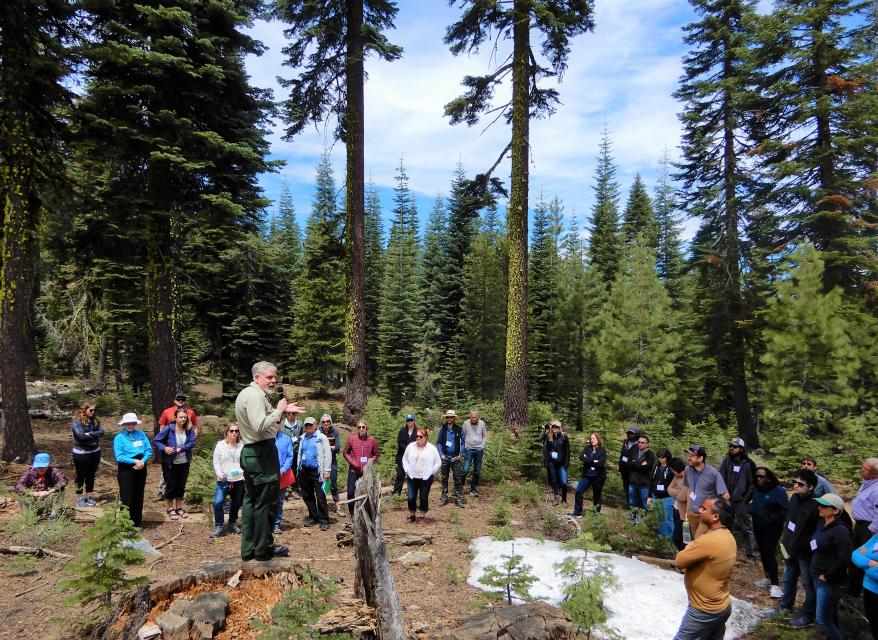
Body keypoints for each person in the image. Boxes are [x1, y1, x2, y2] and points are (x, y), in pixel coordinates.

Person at [235, 361, 304, 561]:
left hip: (253, 452)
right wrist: (279, 410)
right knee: (265, 502)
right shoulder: (255, 396)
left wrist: (279, 413)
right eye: (269, 377)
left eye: (275, 377)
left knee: (252, 501)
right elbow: (259, 426)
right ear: (257, 377)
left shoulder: (247, 394)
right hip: (261, 454)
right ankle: (264, 548)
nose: (274, 380)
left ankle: (249, 549)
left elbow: (263, 425)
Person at [673, 497, 737, 640]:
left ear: (715, 517)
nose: (699, 510)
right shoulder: (728, 537)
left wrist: (690, 547)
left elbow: (680, 560)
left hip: (704, 610)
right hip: (722, 606)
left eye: (704, 508)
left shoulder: (708, 541)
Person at [775, 468, 820, 627]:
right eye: (795, 482)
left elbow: (817, 533)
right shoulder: (794, 498)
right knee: (788, 579)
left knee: (808, 584)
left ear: (811, 487)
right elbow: (789, 523)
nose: (795, 486)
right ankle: (784, 608)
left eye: (800, 484)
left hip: (806, 554)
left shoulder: (816, 506)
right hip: (790, 549)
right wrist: (784, 542)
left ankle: (808, 616)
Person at [810, 493, 852, 640]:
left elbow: (844, 557)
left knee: (822, 618)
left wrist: (827, 575)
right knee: (830, 615)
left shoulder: (841, 531)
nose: (819, 508)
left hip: (830, 581)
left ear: (836, 511)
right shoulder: (822, 524)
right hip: (818, 575)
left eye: (824, 506)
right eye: (819, 504)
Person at [748, 466, 789, 599]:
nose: (758, 478)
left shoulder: (778, 491)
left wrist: (772, 518)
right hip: (758, 525)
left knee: (769, 552)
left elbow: (785, 510)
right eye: (757, 476)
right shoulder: (756, 489)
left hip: (772, 528)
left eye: (761, 476)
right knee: (762, 552)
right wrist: (750, 510)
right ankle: (767, 577)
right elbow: (752, 503)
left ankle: (775, 586)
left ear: (769, 478)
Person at [153, 408, 197, 521]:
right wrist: (165, 448)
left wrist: (180, 449)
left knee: (181, 485)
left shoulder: (189, 429)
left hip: (184, 462)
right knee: (171, 485)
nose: (183, 419)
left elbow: (192, 443)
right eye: (181, 417)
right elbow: (156, 441)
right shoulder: (168, 429)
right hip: (170, 462)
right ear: (175, 418)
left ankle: (179, 508)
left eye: (185, 417)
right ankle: (170, 508)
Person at [718, 437, 757, 559]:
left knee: (746, 528)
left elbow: (752, 484)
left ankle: (751, 553)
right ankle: (724, 550)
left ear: (741, 448)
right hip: (726, 499)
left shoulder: (749, 464)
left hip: (741, 501)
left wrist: (746, 500)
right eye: (730, 446)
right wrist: (722, 493)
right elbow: (720, 477)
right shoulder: (726, 461)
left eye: (734, 447)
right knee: (724, 525)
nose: (731, 448)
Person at [113, 412, 153, 527]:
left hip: (141, 465)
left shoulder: (141, 434)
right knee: (127, 496)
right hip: (126, 468)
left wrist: (142, 461)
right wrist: (135, 461)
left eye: (133, 423)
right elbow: (119, 457)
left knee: (138, 494)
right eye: (128, 423)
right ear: (124, 424)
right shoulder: (119, 438)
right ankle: (126, 523)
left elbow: (148, 450)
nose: (130, 425)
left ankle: (136, 522)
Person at [683, 445, 730, 540]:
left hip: (705, 515)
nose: (688, 458)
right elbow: (689, 489)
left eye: (692, 456)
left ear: (701, 458)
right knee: (694, 541)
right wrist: (687, 510)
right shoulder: (687, 470)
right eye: (688, 455)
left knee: (698, 540)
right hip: (692, 513)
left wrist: (711, 511)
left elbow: (726, 495)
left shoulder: (713, 474)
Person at [296, 416, 331, 531]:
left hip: (317, 471)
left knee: (320, 496)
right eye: (306, 425)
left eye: (310, 424)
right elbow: (300, 454)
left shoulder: (322, 438)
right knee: (307, 496)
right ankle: (313, 517)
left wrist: (327, 470)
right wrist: (299, 469)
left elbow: (327, 455)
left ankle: (324, 520)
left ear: (315, 425)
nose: (308, 427)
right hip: (304, 471)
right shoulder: (302, 438)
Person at [850, 457, 878, 597]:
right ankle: (852, 589)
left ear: (875, 474)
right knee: (854, 557)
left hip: (868, 529)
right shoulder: (867, 483)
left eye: (866, 469)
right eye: (863, 466)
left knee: (862, 558)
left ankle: (857, 592)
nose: (862, 469)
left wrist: (871, 531)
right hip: (860, 526)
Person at [211, 423, 244, 538]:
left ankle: (232, 522)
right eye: (231, 431)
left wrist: (242, 472)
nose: (234, 433)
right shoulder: (220, 445)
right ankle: (219, 525)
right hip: (223, 480)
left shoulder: (242, 445)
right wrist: (219, 474)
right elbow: (216, 462)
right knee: (218, 503)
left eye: (236, 431)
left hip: (239, 479)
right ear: (227, 432)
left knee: (237, 502)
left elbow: (245, 462)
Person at [402, 427, 441, 524]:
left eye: (421, 436)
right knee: (411, 497)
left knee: (423, 497)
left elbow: (438, 462)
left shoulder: (432, 448)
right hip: (412, 476)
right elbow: (404, 459)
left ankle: (422, 517)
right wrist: (407, 470)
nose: (418, 438)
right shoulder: (411, 446)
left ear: (426, 437)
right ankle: (412, 516)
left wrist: (432, 472)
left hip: (425, 478)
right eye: (417, 436)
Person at [71, 401, 104, 507]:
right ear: (84, 410)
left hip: (95, 451)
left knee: (91, 475)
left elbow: (102, 432)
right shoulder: (77, 422)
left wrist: (89, 433)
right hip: (81, 453)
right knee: (81, 476)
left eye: (95, 410)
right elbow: (80, 436)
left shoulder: (95, 421)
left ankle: (89, 496)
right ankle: (79, 498)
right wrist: (94, 434)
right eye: (91, 410)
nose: (93, 412)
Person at [343, 420, 379, 516]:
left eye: (363, 427)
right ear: (357, 428)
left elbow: (376, 454)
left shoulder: (371, 440)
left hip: (366, 471)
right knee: (351, 493)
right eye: (359, 427)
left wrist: (370, 463)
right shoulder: (352, 439)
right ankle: (352, 514)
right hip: (354, 470)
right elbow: (345, 452)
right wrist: (352, 462)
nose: (361, 429)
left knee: (366, 493)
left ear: (366, 428)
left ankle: (365, 514)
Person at [569, 432, 607, 516]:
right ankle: (577, 512)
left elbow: (600, 463)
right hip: (587, 475)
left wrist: (588, 459)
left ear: (598, 439)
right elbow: (581, 457)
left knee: (596, 495)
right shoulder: (587, 448)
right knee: (578, 491)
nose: (592, 440)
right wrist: (593, 461)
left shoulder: (602, 450)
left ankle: (595, 514)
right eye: (591, 438)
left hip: (598, 477)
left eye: (594, 438)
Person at [851, 531, 878, 638]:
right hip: (869, 591)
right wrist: (869, 563)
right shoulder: (876, 538)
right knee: (874, 627)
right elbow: (855, 555)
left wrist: (864, 565)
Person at [436, 409, 465, 508]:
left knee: (458, 478)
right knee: (444, 478)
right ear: (446, 418)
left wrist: (460, 454)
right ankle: (444, 497)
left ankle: (458, 498)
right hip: (445, 457)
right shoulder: (442, 429)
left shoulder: (459, 429)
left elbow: (463, 443)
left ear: (454, 418)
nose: (449, 419)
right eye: (447, 417)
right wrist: (441, 454)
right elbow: (439, 443)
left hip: (456, 458)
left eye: (451, 417)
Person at [648, 448, 674, 540]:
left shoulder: (671, 469)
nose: (660, 459)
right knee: (660, 519)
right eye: (659, 457)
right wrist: (649, 496)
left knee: (668, 519)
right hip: (656, 496)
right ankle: (662, 539)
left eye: (662, 457)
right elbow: (651, 481)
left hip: (668, 497)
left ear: (667, 457)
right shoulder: (656, 466)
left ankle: (671, 539)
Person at [625, 433, 655, 513]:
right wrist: (639, 464)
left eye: (642, 443)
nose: (640, 444)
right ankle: (633, 521)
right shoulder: (633, 451)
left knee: (645, 505)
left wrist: (634, 463)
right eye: (639, 442)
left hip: (644, 485)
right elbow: (628, 464)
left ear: (647, 444)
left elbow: (646, 468)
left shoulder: (650, 455)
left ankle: (645, 524)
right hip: (632, 482)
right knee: (632, 504)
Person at [461, 408, 488, 497]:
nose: (474, 419)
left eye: (475, 417)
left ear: (478, 416)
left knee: (476, 471)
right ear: (470, 416)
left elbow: (485, 436)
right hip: (468, 450)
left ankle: (474, 490)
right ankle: (460, 487)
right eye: (472, 417)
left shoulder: (482, 424)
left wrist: (483, 445)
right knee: (465, 469)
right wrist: (464, 447)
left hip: (479, 450)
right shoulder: (466, 423)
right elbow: (462, 436)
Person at [543, 420, 571, 506]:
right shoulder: (549, 436)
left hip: (561, 463)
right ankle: (556, 498)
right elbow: (546, 450)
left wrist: (566, 463)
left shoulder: (564, 436)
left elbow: (567, 451)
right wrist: (546, 462)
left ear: (559, 428)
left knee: (563, 481)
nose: (555, 428)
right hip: (552, 463)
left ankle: (564, 500)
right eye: (553, 427)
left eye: (556, 427)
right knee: (554, 480)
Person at [273, 427, 294, 534]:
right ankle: (266, 523)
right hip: (267, 475)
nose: (275, 424)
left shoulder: (286, 439)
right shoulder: (264, 437)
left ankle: (276, 523)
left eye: (277, 422)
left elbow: (290, 456)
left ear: (280, 424)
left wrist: (283, 469)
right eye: (273, 422)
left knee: (279, 501)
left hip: (282, 475)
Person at [319, 413, 341, 513]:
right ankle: (321, 506)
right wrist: (330, 447)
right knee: (319, 483)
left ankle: (337, 505)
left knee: (332, 483)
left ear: (330, 422)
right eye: (324, 422)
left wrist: (326, 448)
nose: (326, 423)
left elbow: (337, 448)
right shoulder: (318, 432)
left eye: (328, 421)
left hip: (332, 462)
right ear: (321, 423)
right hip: (320, 462)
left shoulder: (335, 432)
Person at [393, 414, 418, 498]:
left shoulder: (418, 432)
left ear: (414, 421)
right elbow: (399, 443)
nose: (409, 422)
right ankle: (396, 495)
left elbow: (420, 443)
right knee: (400, 476)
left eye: (411, 420)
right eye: (408, 420)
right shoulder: (402, 431)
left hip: (414, 459)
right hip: (402, 457)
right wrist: (409, 448)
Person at [666, 458, 689, 551]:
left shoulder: (688, 478)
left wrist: (677, 493)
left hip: (685, 514)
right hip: (676, 509)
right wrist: (679, 492)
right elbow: (669, 489)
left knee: (681, 538)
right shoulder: (676, 477)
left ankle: (686, 558)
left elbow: (683, 497)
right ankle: (682, 557)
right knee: (678, 537)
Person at [280, 407, 302, 497]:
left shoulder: (300, 424)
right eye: (289, 413)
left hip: (297, 451)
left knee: (296, 470)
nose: (291, 415)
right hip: (285, 452)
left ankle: (295, 489)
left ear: (296, 414)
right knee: (285, 469)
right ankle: (284, 489)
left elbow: (302, 436)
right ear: (286, 414)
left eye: (293, 413)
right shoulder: (281, 425)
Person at [619, 427, 640, 508]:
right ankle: (629, 507)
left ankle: (636, 508)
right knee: (627, 489)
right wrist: (620, 467)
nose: (631, 435)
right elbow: (622, 455)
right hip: (624, 470)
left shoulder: (639, 444)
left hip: (633, 471)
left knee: (633, 491)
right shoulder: (625, 442)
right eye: (629, 433)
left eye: (633, 433)